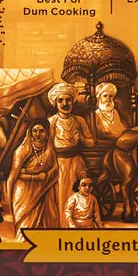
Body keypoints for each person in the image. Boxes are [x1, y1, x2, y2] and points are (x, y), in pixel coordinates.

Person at [47, 81, 92, 222]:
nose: (65, 104)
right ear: (55, 103)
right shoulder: (51, 121)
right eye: (60, 100)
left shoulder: (79, 120)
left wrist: (82, 139)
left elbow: (91, 142)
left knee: (77, 194)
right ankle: (63, 224)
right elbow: (48, 145)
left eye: (68, 100)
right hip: (59, 164)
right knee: (61, 195)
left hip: (76, 163)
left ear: (73, 102)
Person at [6, 120, 59, 233]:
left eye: (41, 131)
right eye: (34, 131)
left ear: (47, 133)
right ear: (30, 132)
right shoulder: (22, 150)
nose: (38, 134)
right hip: (24, 193)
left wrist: (47, 175)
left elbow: (55, 167)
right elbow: (12, 177)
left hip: (44, 191)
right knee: (24, 227)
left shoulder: (49, 149)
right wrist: (8, 204)